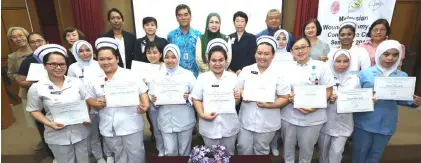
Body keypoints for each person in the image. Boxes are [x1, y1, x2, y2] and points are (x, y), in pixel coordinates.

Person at [353, 40, 421, 163]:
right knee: (360, 152)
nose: (390, 58)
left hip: (387, 123)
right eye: (386, 54)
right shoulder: (365, 74)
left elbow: (403, 100)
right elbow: (355, 97)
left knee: (376, 154)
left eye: (395, 55)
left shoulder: (402, 76)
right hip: (365, 121)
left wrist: (413, 102)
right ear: (379, 54)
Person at [86, 37, 149, 163]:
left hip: (131, 122)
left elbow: (143, 91)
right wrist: (95, 102)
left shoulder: (130, 74)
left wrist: (146, 105)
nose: (105, 62)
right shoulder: (93, 78)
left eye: (109, 58)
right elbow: (89, 98)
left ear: (117, 59)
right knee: (118, 153)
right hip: (108, 124)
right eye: (101, 59)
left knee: (136, 152)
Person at [26, 44, 90, 163]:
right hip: (57, 134)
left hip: (79, 130)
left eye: (62, 64)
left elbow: (84, 101)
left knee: (83, 160)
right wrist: (49, 123)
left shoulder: (76, 83)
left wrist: (85, 116)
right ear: (45, 66)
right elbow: (33, 110)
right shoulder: (37, 87)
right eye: (53, 64)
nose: (58, 67)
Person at [280, 36, 335, 163]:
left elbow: (328, 90)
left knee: (307, 150)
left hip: (314, 117)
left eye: (303, 47)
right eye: (296, 48)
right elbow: (282, 91)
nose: (300, 51)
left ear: (309, 48)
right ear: (292, 52)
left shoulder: (321, 66)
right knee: (288, 149)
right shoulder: (286, 69)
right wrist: (289, 97)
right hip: (289, 116)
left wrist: (314, 107)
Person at [236, 36, 290, 155]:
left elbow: (285, 98)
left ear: (273, 55)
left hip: (268, 120)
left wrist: (269, 105)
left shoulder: (280, 74)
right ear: (255, 54)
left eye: (266, 54)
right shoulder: (246, 70)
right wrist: (243, 93)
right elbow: (238, 88)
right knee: (243, 148)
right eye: (259, 53)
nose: (262, 57)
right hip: (246, 119)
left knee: (261, 150)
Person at [191, 39, 241, 155]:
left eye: (220, 60)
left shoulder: (233, 77)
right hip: (209, 125)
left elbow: (236, 102)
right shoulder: (202, 78)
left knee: (229, 154)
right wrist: (202, 114)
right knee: (211, 155)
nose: (217, 64)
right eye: (213, 60)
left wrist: (237, 98)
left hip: (229, 126)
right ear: (208, 61)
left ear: (226, 60)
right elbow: (196, 98)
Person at [67, 40, 114, 163]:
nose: (85, 53)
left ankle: (109, 154)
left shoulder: (99, 63)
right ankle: (98, 156)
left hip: (102, 101)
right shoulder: (73, 68)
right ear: (75, 53)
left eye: (87, 50)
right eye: (80, 51)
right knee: (93, 133)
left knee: (106, 130)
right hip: (84, 104)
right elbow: (71, 86)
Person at [149, 44, 196, 156]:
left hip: (184, 119)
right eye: (167, 57)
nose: (170, 60)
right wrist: (153, 98)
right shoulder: (156, 76)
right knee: (170, 152)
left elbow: (197, 94)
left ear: (178, 58)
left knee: (185, 151)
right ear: (163, 58)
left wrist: (188, 96)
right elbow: (151, 94)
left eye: (173, 57)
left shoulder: (188, 75)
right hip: (165, 120)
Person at [16, 32, 55, 161]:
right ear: (29, 44)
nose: (37, 44)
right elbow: (21, 81)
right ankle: (52, 152)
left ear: (46, 41)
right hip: (39, 99)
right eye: (33, 42)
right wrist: (37, 80)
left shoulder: (55, 56)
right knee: (44, 124)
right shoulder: (28, 60)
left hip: (57, 96)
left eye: (39, 40)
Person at [318, 49, 360, 163]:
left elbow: (358, 100)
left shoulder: (355, 80)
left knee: (337, 153)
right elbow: (316, 98)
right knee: (322, 153)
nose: (342, 64)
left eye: (345, 61)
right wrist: (327, 98)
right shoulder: (325, 78)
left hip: (344, 123)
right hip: (326, 122)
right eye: (338, 61)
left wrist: (368, 101)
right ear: (332, 62)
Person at [143, 42, 166, 156]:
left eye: (155, 52)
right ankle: (161, 150)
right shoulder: (143, 69)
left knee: (167, 128)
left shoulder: (167, 66)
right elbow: (141, 89)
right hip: (152, 105)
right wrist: (149, 96)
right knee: (156, 129)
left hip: (167, 104)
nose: (152, 55)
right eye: (149, 53)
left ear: (160, 54)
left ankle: (169, 149)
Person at [167, 4, 202, 78]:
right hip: (177, 77)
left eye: (186, 15)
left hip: (195, 76)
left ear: (190, 16)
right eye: (180, 15)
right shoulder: (171, 36)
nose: (183, 18)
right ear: (176, 18)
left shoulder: (198, 35)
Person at [228, 11, 257, 75]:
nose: (239, 24)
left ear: (246, 23)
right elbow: (227, 55)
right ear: (234, 23)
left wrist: (242, 70)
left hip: (246, 72)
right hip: (230, 72)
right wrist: (229, 69)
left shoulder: (252, 38)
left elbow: (252, 57)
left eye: (242, 21)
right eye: (237, 21)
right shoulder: (229, 37)